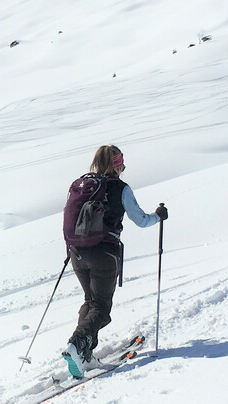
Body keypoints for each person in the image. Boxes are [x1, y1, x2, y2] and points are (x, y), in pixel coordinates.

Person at [62, 145, 167, 376]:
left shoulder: (83, 185)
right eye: (121, 163)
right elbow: (139, 219)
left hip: (77, 253)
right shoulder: (120, 188)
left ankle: (85, 354)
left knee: (90, 301)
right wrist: (158, 217)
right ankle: (77, 343)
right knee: (101, 307)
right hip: (104, 254)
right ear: (117, 164)